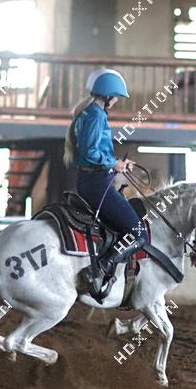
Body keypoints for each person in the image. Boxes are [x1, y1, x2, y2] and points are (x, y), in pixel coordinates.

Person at [63, 68, 147, 303]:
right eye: (116, 96)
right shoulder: (96, 115)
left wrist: (118, 163)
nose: (117, 100)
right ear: (108, 95)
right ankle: (98, 269)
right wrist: (113, 163)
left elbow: (95, 152)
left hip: (94, 180)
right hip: (97, 184)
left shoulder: (89, 113)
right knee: (138, 233)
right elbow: (89, 152)